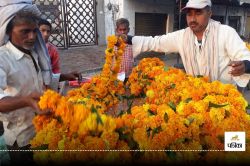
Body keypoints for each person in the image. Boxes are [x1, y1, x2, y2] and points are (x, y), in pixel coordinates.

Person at [0, 1, 79, 164]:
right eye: (25, 31)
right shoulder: (3, 58)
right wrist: (27, 101)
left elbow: (40, 80)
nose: (32, 37)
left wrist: (64, 76)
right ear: (8, 30)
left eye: (34, 31)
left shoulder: (33, 53)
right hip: (21, 138)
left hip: (40, 130)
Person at [129, 0, 250, 89]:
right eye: (189, 14)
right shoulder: (182, 36)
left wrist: (245, 65)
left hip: (224, 100)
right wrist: (128, 39)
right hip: (195, 99)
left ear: (209, 13)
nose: (192, 19)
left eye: (198, 13)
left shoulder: (226, 32)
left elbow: (245, 56)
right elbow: (155, 42)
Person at [115, 18, 133, 83]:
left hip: (129, 75)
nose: (122, 32)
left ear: (128, 30)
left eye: (124, 29)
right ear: (117, 30)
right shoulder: (113, 43)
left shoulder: (132, 42)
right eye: (120, 30)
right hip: (118, 75)